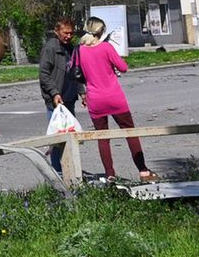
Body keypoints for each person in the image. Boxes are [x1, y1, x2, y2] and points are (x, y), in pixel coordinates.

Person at [78, 17, 157, 181]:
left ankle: (110, 174)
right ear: (101, 31)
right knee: (130, 132)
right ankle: (143, 170)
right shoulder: (107, 47)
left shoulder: (80, 50)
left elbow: (79, 74)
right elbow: (123, 68)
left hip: (95, 99)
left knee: (103, 137)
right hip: (114, 97)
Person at [37, 17, 80, 173]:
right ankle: (58, 172)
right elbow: (44, 75)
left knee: (70, 136)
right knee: (57, 138)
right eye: (65, 33)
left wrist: (82, 92)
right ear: (57, 32)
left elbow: (76, 71)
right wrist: (54, 93)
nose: (68, 36)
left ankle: (70, 169)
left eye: (71, 33)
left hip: (69, 99)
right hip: (55, 101)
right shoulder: (50, 48)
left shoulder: (71, 48)